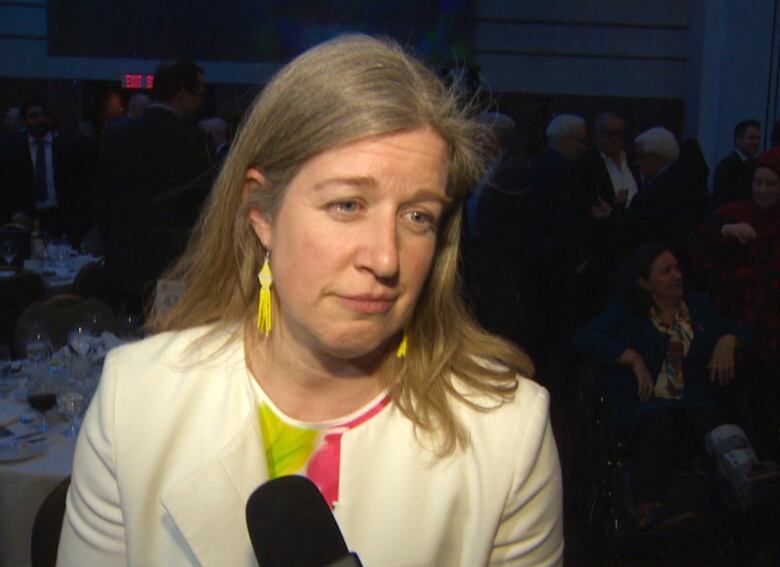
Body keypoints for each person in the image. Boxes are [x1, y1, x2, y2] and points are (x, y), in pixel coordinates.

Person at [59, 35, 563, 566]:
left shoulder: (507, 433)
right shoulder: (135, 401)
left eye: (418, 216)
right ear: (261, 213)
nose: (386, 258)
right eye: (348, 204)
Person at [574, 243, 754, 528]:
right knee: (659, 420)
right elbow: (584, 337)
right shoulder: (626, 315)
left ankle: (750, 485)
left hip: (695, 404)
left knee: (714, 422)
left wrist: (728, 340)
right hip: (646, 408)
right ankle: (649, 510)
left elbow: (743, 331)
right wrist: (631, 358)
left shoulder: (700, 308)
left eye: (677, 269)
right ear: (645, 282)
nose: (676, 276)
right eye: (666, 271)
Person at [93, 58, 214, 313]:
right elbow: (204, 211)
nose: (200, 102)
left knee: (122, 341)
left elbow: (100, 202)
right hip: (172, 271)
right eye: (199, 95)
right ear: (181, 94)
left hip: (121, 267)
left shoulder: (116, 135)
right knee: (165, 345)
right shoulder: (194, 142)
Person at [705, 147, 780, 460]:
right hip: (733, 323)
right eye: (758, 183)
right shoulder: (733, 213)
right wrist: (724, 232)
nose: (762, 190)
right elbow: (701, 246)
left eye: (770, 184)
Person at [712, 119, 761, 211]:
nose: (756, 142)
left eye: (758, 138)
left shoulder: (756, 164)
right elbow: (723, 200)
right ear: (738, 139)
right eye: (752, 138)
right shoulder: (727, 166)